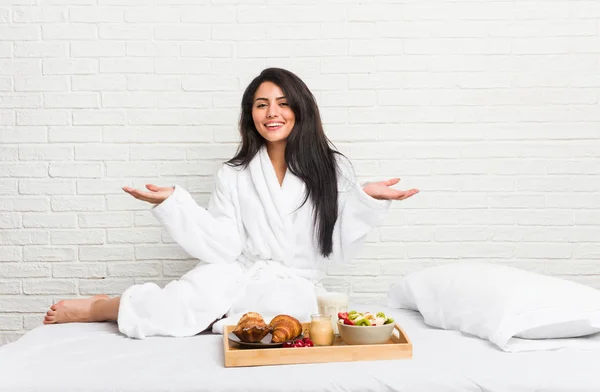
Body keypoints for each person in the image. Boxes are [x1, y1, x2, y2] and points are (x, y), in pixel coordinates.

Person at [43, 68, 419, 339]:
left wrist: (365, 200)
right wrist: (176, 204)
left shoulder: (331, 168)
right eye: (261, 105)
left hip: (292, 283)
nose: (272, 113)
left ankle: (219, 316)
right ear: (250, 114)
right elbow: (223, 245)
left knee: (283, 320)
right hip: (238, 270)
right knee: (181, 305)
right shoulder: (234, 172)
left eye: (283, 103)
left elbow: (337, 250)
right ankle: (101, 307)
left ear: (301, 110)